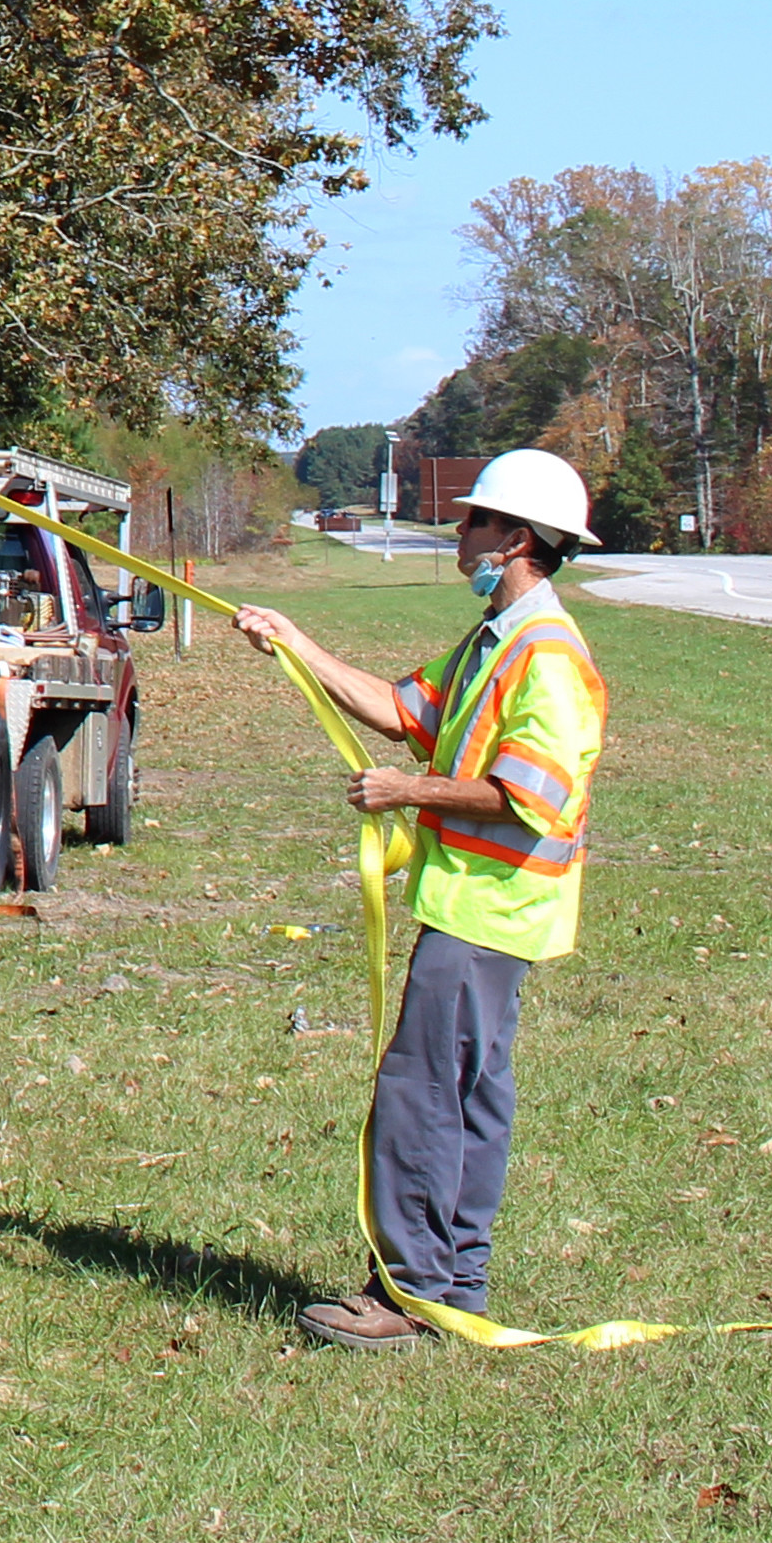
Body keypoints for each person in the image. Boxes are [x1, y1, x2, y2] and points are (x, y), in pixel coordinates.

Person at [232, 445, 610, 1350]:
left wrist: (408, 794)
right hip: (474, 906)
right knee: (468, 1096)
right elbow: (405, 711)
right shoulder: (495, 640)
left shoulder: (546, 654)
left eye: (474, 521)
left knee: (422, 1093)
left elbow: (533, 796)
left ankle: (405, 1297)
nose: (459, 533)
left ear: (516, 540)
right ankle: (453, 1288)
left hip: (494, 910)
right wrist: (292, 641)